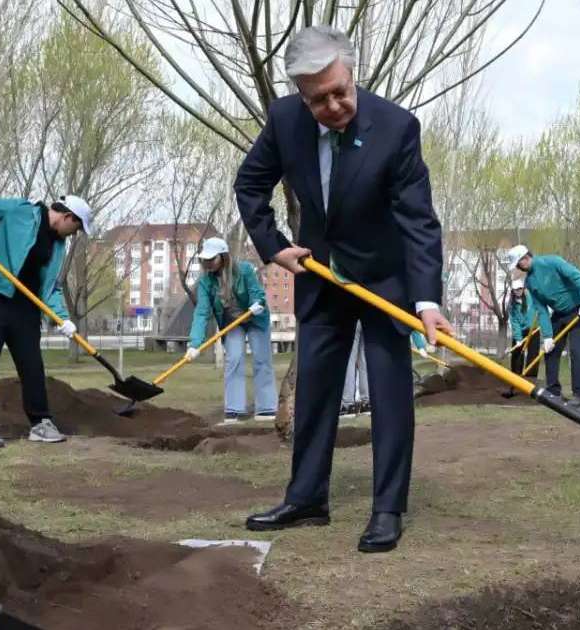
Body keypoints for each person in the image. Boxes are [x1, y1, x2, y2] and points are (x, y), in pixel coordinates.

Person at [235, 26, 450, 553]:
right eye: (318, 99)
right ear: (301, 97)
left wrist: (426, 300)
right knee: (315, 392)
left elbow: (418, 221)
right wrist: (276, 246)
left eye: (340, 91)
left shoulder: (397, 128)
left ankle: (387, 509)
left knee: (389, 392)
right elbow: (250, 185)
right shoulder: (285, 120)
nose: (333, 106)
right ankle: (307, 498)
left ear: (352, 73)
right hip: (322, 276)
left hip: (384, 280)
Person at [0, 195, 92, 449]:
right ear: (67, 217)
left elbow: (50, 287)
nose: (75, 233)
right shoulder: (19, 210)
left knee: (32, 366)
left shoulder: (58, 246)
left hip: (25, 308)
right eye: (77, 227)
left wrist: (63, 319)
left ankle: (40, 423)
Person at [185, 237, 276, 426]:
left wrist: (257, 304)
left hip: (255, 317)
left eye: (212, 259)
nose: (208, 263)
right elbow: (202, 312)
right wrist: (194, 344)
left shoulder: (244, 270)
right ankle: (234, 410)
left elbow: (257, 293)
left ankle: (266, 408)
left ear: (223, 257)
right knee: (233, 359)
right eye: (205, 260)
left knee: (262, 359)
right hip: (232, 323)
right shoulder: (205, 281)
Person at [507, 244, 580, 407]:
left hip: (578, 310)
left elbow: (578, 278)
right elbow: (541, 310)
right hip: (559, 314)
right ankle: (553, 391)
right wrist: (547, 336)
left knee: (576, 352)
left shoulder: (552, 262)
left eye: (518, 263)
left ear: (525, 258)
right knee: (550, 351)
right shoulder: (530, 282)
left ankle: (578, 395)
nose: (518, 267)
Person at [503, 278, 540, 397]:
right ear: (512, 291)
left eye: (520, 289)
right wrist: (518, 338)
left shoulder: (531, 298)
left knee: (533, 357)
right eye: (515, 289)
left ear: (523, 289)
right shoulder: (512, 305)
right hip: (520, 331)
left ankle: (530, 385)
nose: (518, 291)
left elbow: (540, 309)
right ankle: (514, 385)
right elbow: (514, 322)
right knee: (516, 356)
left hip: (533, 329)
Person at [340, 323, 368, 418]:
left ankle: (347, 405)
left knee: (350, 357)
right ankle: (367, 403)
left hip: (353, 317)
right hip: (367, 315)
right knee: (364, 356)